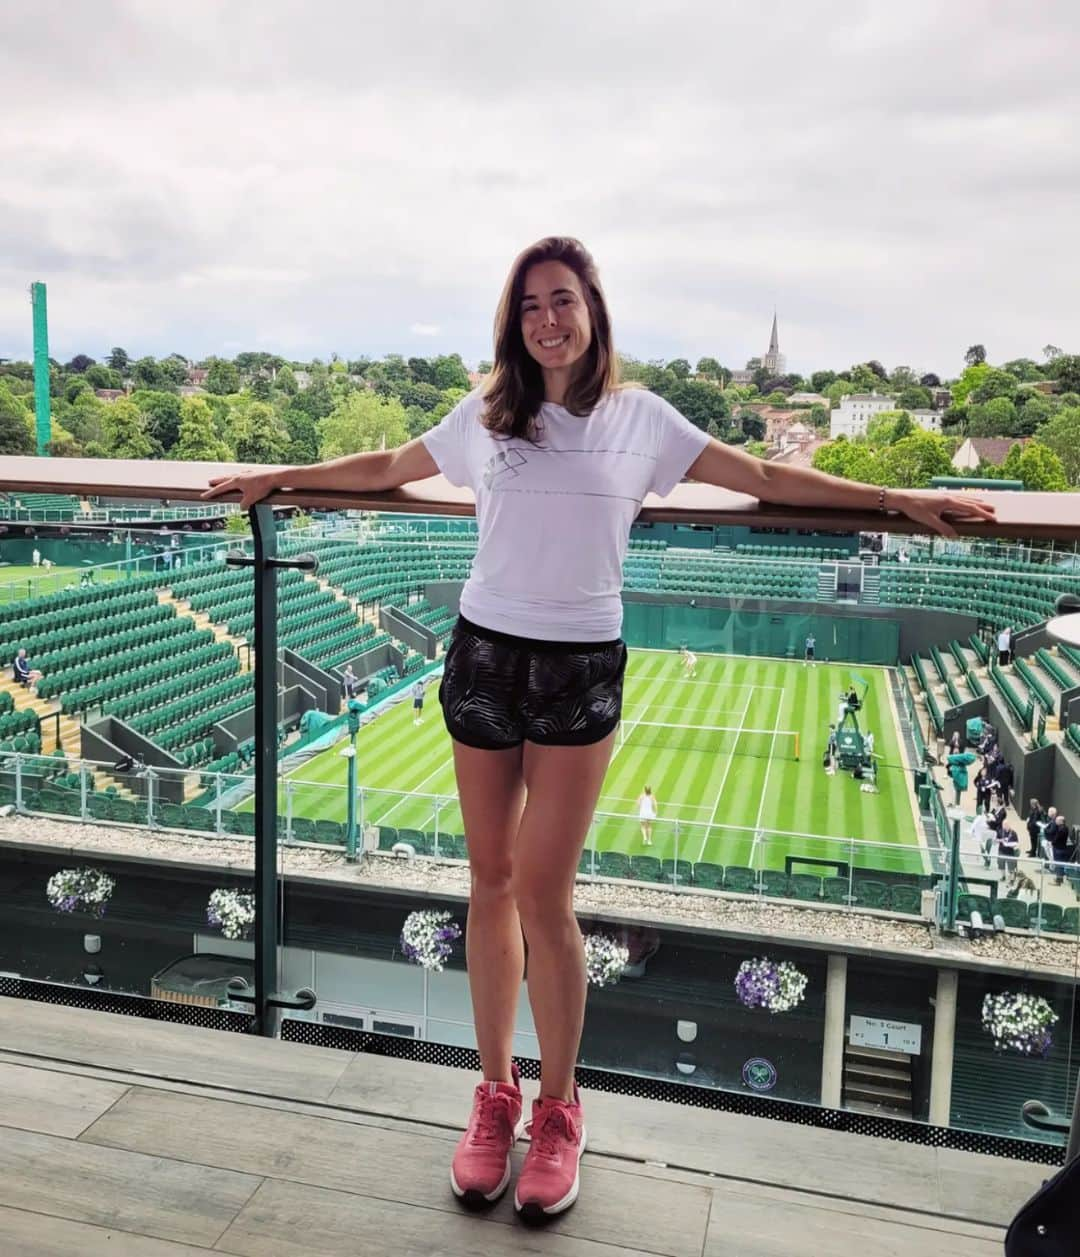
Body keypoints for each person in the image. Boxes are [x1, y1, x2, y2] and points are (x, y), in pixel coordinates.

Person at [202, 235, 994, 1221]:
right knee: (487, 883)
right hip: (485, 655)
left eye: (562, 300)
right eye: (531, 304)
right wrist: (280, 476)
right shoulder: (486, 416)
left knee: (545, 894)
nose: (547, 319)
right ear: (514, 319)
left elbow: (763, 479)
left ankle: (562, 1109)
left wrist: (896, 500)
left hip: (580, 667)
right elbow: (382, 466)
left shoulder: (640, 420)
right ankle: (493, 1099)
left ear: (592, 310)